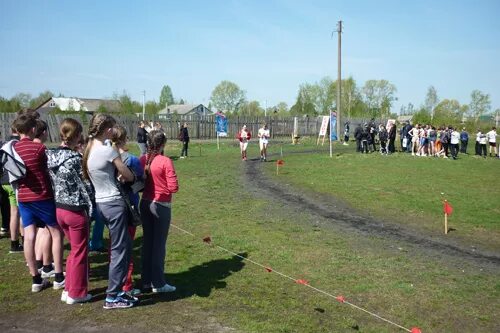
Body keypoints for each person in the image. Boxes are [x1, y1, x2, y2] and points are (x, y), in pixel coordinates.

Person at [82, 113, 137, 309]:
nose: (114, 130)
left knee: (123, 247)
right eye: (112, 127)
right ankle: (112, 296)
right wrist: (125, 176)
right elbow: (128, 175)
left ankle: (120, 290)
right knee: (120, 251)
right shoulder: (109, 151)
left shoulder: (89, 149)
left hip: (101, 203)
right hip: (114, 203)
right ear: (107, 130)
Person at [11, 113, 65, 292]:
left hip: (23, 197)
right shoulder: (39, 149)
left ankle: (35, 278)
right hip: (42, 195)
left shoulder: (13, 149)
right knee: (56, 233)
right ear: (33, 129)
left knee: (29, 235)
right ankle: (58, 276)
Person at [46, 118, 94, 304]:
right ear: (76, 135)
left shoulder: (51, 155)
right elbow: (87, 185)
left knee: (74, 251)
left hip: (60, 208)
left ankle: (68, 289)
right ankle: (77, 292)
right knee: (80, 252)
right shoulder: (75, 159)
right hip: (75, 209)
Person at [140, 130, 178, 293]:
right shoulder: (165, 161)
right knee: (158, 245)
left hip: (145, 204)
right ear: (162, 144)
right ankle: (158, 283)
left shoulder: (143, 159)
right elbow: (173, 187)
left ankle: (146, 281)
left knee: (147, 243)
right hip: (160, 206)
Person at [110, 125, 144, 296]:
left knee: (115, 246)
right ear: (123, 139)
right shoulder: (131, 160)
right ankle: (126, 285)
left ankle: (116, 283)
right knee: (126, 247)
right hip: (127, 206)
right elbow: (140, 183)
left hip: (108, 207)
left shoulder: (103, 159)